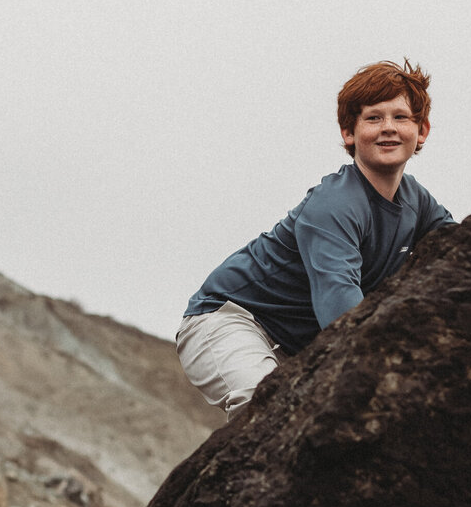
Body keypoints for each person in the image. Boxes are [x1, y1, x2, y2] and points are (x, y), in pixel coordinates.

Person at [177, 59, 454, 418]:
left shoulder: (416, 200)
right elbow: (342, 310)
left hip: (296, 345)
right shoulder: (335, 204)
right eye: (373, 118)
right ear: (348, 133)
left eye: (400, 117)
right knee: (264, 409)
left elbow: (461, 247)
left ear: (422, 130)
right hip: (229, 319)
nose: (388, 128)